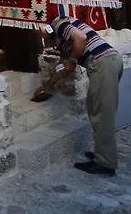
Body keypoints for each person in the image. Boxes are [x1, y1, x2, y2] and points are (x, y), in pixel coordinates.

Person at [40, 16, 123, 176]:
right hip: (108, 62)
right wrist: (47, 87)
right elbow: (65, 67)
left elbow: (80, 38)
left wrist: (72, 59)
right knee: (95, 109)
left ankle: (105, 163)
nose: (39, 34)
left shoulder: (58, 23)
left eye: (38, 29)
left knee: (101, 114)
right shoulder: (59, 40)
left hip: (102, 63)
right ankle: (102, 154)